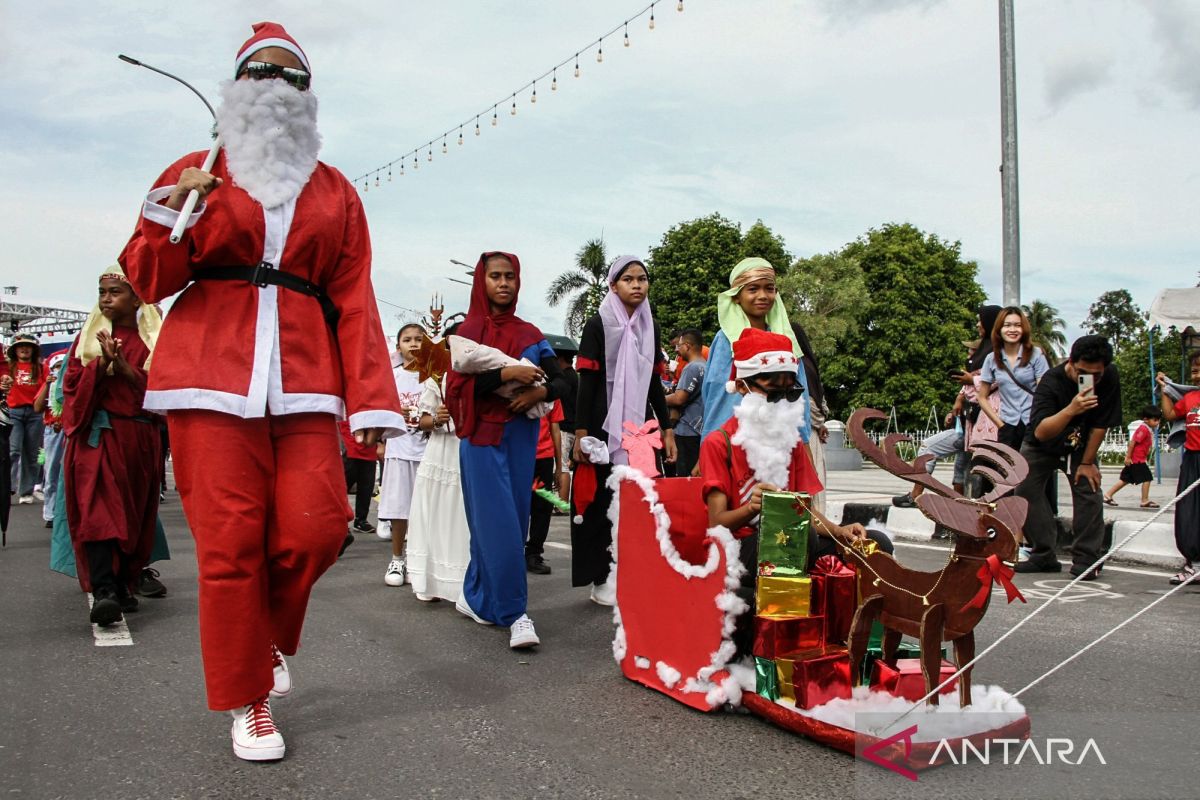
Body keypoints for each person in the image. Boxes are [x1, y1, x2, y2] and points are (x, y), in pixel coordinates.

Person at [120, 23, 404, 762]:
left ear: (309, 95)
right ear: (238, 86)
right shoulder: (199, 169)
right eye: (262, 73)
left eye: (293, 77)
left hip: (305, 380)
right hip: (208, 378)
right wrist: (169, 211)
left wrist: (372, 400)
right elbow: (147, 281)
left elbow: (355, 297)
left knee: (318, 528)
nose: (277, 86)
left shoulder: (336, 191)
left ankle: (267, 637)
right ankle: (249, 701)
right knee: (229, 548)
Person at [699, 328, 892, 655]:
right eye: (774, 392)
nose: (783, 401)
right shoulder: (719, 443)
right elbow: (717, 522)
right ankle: (787, 646)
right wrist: (751, 508)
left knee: (875, 545)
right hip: (738, 546)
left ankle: (856, 642)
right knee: (799, 540)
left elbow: (804, 511)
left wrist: (841, 532)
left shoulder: (792, 443)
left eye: (792, 392)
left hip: (793, 540)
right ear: (743, 387)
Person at [446, 252, 570, 649]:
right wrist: (507, 372)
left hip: (521, 438)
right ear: (481, 281)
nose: (503, 283)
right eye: (495, 276)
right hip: (481, 439)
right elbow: (457, 387)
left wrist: (540, 393)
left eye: (510, 276)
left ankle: (476, 596)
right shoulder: (467, 331)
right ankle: (516, 614)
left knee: (512, 524)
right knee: (495, 523)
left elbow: (566, 381)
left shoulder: (530, 333)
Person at [61, 266, 163, 626]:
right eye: (102, 292)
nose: (106, 299)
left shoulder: (154, 341)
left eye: (114, 292)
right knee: (98, 512)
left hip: (138, 441)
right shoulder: (89, 339)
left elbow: (165, 392)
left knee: (132, 517)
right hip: (98, 438)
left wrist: (124, 368)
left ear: (136, 299)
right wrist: (101, 364)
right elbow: (71, 388)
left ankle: (122, 585)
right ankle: (103, 590)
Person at [571, 255, 676, 606]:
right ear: (613, 286)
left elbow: (654, 384)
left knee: (639, 499)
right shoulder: (598, 324)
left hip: (639, 429)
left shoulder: (650, 326)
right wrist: (581, 432)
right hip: (601, 425)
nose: (637, 285)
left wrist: (667, 428)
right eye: (628, 279)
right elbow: (587, 382)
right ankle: (602, 579)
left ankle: (634, 572)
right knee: (602, 501)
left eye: (642, 279)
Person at [1015, 336, 1121, 579]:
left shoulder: (1109, 377)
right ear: (1071, 362)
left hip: (1080, 442)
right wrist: (1072, 409)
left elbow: (1102, 423)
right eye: (1083, 373)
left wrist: (1087, 463)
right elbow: (1041, 432)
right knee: (1024, 489)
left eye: (1096, 374)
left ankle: (1087, 558)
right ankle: (1043, 554)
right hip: (1042, 443)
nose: (1090, 379)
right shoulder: (1051, 381)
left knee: (1088, 487)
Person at [700, 258, 812, 444]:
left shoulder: (785, 337)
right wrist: (712, 443)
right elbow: (716, 395)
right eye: (753, 289)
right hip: (737, 441)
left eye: (769, 288)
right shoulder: (726, 339)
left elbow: (800, 395)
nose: (763, 296)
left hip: (781, 440)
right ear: (736, 296)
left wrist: (804, 440)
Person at [405, 331, 472, 603]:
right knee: (434, 513)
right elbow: (423, 421)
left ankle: (461, 582)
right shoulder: (436, 379)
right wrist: (436, 419)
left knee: (461, 516)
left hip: (466, 451)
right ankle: (429, 581)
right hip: (440, 453)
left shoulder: (478, 377)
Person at [379, 324, 428, 587]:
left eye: (419, 339)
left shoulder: (434, 377)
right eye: (407, 340)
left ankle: (422, 562)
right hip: (399, 450)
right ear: (399, 346)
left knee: (428, 511)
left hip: (429, 452)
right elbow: (380, 412)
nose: (413, 344)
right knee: (400, 509)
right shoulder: (391, 377)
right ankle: (398, 559)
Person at [977, 307, 1050, 452]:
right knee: (1008, 465)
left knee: (1033, 465)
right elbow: (982, 397)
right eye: (1007, 325)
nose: (1012, 330)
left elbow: (1044, 392)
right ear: (999, 329)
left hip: (1033, 424)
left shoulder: (1036, 354)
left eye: (1017, 325)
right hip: (1008, 425)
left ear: (1024, 329)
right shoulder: (991, 359)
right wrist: (1000, 424)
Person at [1157, 352, 1200, 585]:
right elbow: (1170, 414)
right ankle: (1193, 565)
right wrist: (1165, 390)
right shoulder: (1190, 397)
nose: (1197, 374)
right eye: (1194, 370)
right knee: (1189, 510)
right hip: (1193, 460)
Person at [6, 334, 46, 504]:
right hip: (13, 412)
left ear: (33, 350)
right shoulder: (8, 368)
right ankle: (7, 488)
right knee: (12, 451)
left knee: (31, 454)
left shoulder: (42, 368)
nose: (24, 349)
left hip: (35, 414)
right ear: (15, 350)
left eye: (28, 346)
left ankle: (26, 492)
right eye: (20, 346)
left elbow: (47, 389)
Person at [526, 399, 563, 574]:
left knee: (542, 508)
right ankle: (514, 552)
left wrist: (559, 466)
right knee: (517, 506)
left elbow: (555, 428)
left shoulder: (551, 392)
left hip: (544, 457)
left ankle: (533, 553)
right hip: (519, 454)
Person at [665, 328, 706, 477]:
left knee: (685, 477)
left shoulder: (691, 367)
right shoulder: (705, 365)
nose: (677, 349)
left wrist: (658, 399)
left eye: (679, 345)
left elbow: (679, 398)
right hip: (700, 428)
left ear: (687, 346)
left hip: (687, 430)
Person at [1103, 406, 1162, 509]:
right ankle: (1144, 500)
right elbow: (1132, 442)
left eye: (1158, 420)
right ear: (1146, 419)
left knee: (1125, 479)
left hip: (1136, 459)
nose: (1157, 422)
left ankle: (1107, 495)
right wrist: (1128, 457)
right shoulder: (1143, 429)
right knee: (1147, 478)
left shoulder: (1147, 429)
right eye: (1155, 420)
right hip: (1137, 460)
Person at [34, 352, 67, 529]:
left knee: (69, 472)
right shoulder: (49, 384)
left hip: (70, 430)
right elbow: (37, 407)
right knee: (52, 471)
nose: (59, 370)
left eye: (63, 366)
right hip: (52, 430)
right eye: (57, 367)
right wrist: (47, 386)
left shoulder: (72, 383)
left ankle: (67, 513)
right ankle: (51, 513)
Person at [551, 340, 579, 509]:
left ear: (560, 358)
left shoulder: (564, 378)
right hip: (572, 426)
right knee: (564, 465)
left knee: (561, 466)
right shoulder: (574, 376)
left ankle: (561, 503)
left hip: (564, 426)